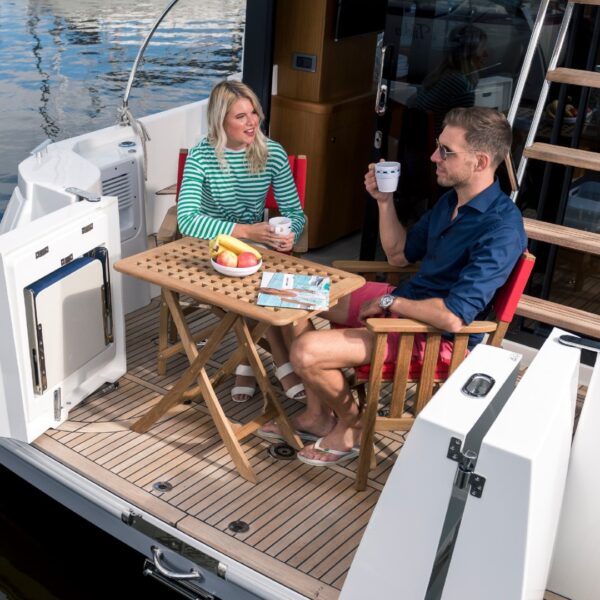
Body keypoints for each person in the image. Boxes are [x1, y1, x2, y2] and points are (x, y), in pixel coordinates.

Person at [259, 106, 527, 464]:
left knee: (306, 352)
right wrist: (384, 201)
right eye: (438, 146)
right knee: (289, 293)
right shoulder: (452, 200)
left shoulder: (501, 229)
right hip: (405, 302)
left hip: (433, 336)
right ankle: (319, 415)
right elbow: (399, 254)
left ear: (480, 162)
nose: (434, 157)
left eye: (446, 151)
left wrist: (392, 306)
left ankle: (352, 423)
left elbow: (452, 317)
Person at [177, 80, 307, 403]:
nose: (252, 122)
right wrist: (247, 232)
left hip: (255, 251)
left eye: (254, 113)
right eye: (241, 116)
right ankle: (280, 360)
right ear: (220, 121)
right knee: (260, 286)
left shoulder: (272, 153)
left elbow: (295, 212)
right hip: (209, 248)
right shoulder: (201, 156)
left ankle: (246, 365)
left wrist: (290, 233)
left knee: (264, 281)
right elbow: (187, 219)